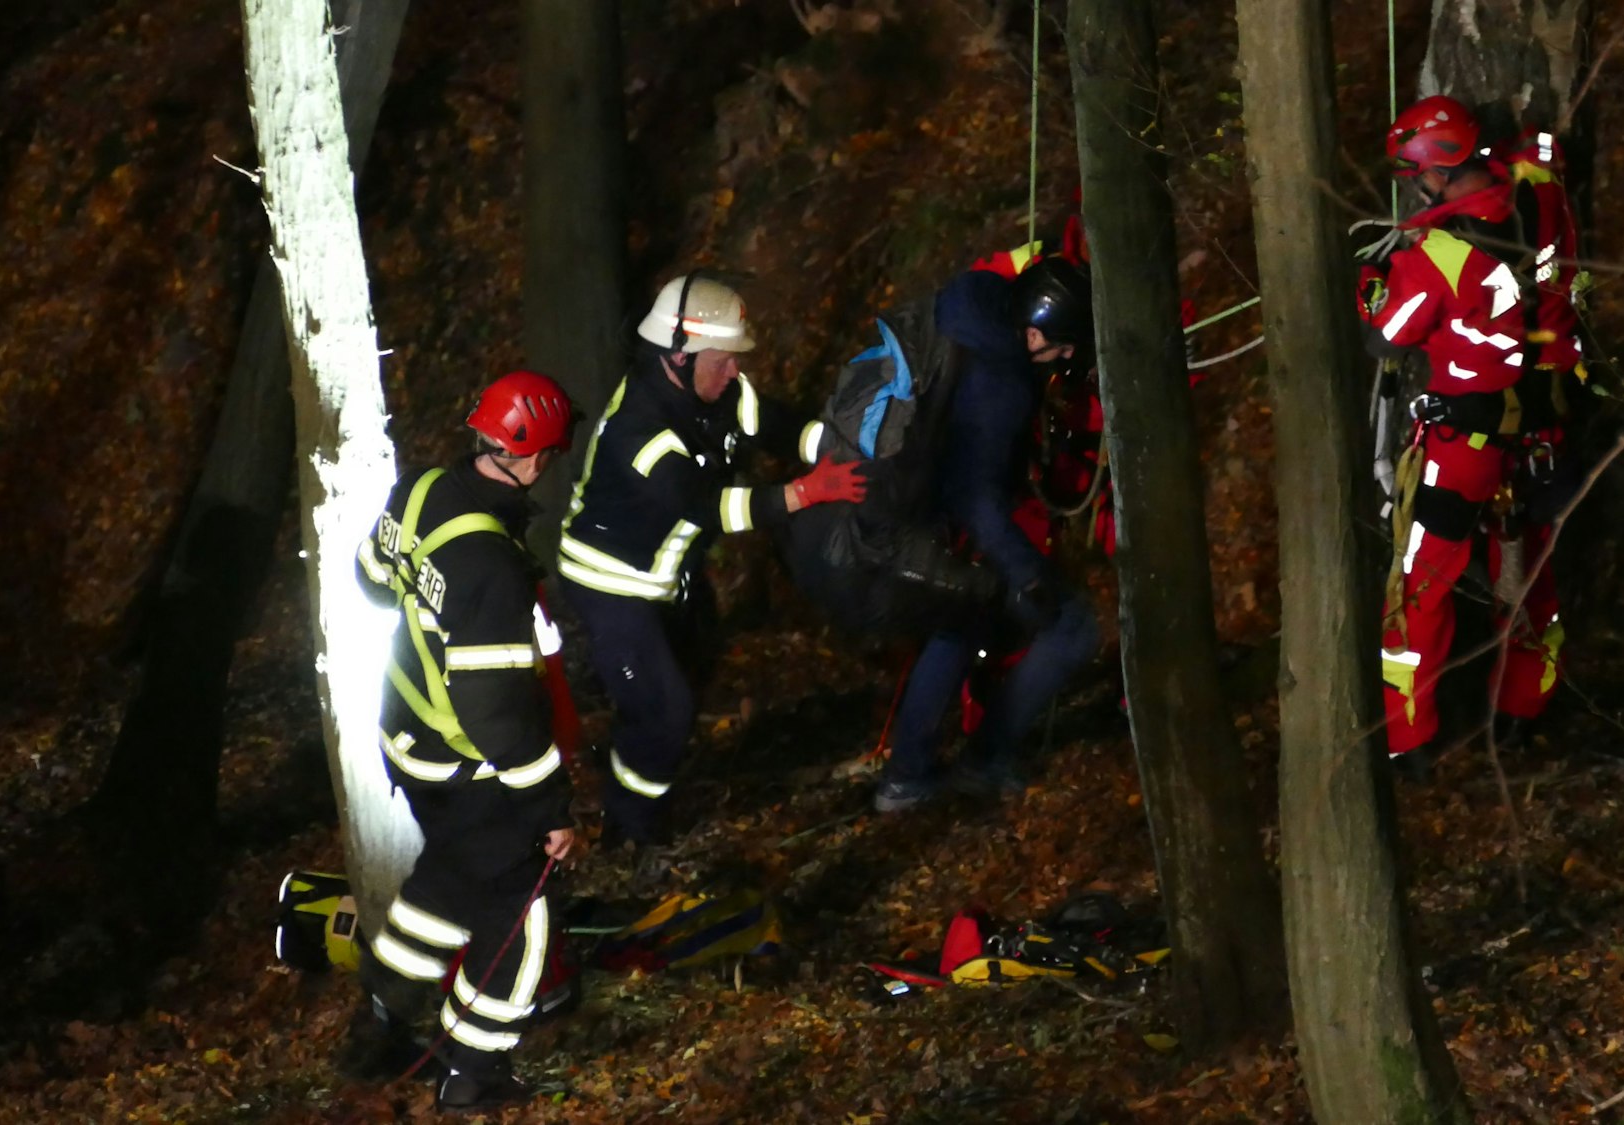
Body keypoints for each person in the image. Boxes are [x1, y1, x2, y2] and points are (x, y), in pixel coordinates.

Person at [557, 273, 867, 848]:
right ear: (679, 356)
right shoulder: (638, 429)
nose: (735, 373)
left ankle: (635, 767)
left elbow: (780, 426)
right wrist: (804, 494)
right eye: (723, 361)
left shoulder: (716, 393)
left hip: (670, 578)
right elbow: (705, 507)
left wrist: (844, 447)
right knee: (667, 709)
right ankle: (630, 833)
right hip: (612, 586)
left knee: (681, 686)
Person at [340, 370, 579, 1110]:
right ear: (533, 458)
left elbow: (373, 578)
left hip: (406, 739)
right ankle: (472, 1069)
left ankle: (379, 1023)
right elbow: (498, 713)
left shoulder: (422, 490)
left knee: (449, 877)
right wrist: (551, 805)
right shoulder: (492, 569)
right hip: (464, 759)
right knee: (519, 911)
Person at [1358, 94, 1583, 776]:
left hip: (1464, 445)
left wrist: (1371, 281)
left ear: (1433, 171)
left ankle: (1408, 739)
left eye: (1414, 176)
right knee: (1529, 574)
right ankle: (1524, 712)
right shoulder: (1541, 195)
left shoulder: (1439, 254)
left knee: (1420, 584)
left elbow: (1387, 335)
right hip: (1543, 426)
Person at [873, 255, 1103, 813]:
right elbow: (977, 496)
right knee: (1071, 628)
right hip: (943, 529)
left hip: (900, 521)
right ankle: (979, 760)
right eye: (1062, 346)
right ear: (1032, 332)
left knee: (961, 619)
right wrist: (1026, 573)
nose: (1066, 358)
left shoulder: (966, 311)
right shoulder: (1001, 382)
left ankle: (907, 776)